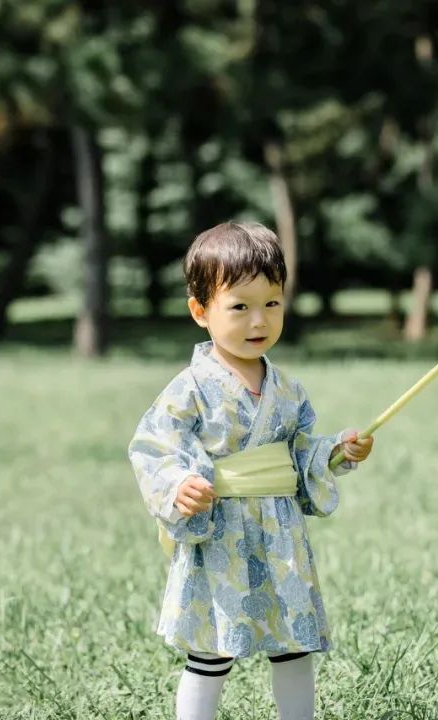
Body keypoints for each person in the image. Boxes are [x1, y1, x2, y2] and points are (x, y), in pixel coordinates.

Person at [128, 221, 374, 720]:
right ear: (201, 311)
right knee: (212, 651)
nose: (258, 320)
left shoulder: (288, 390)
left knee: (294, 645)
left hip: (280, 535)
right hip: (221, 534)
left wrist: (336, 452)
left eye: (272, 303)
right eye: (239, 306)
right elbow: (154, 445)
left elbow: (302, 450)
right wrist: (179, 486)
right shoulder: (191, 387)